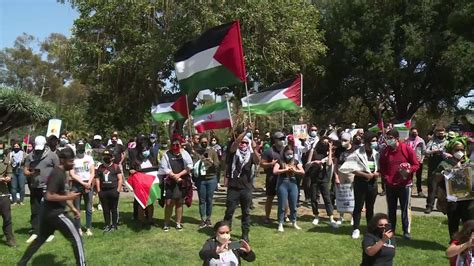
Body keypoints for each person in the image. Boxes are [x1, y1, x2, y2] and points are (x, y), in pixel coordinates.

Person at [18, 148, 86, 266]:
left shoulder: (61, 173)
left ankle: (21, 263)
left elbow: (62, 193)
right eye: (70, 161)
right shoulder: (57, 173)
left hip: (47, 213)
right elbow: (49, 195)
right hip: (56, 213)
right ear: (62, 160)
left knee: (40, 239)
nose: (73, 163)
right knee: (77, 239)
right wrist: (69, 197)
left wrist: (73, 208)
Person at [379, 129, 420, 240]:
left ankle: (406, 231)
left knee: (405, 209)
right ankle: (390, 229)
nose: (388, 140)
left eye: (390, 138)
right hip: (390, 185)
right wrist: (386, 177)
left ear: (397, 139)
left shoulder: (407, 149)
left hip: (405, 185)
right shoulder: (386, 151)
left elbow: (416, 164)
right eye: (387, 138)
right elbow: (382, 166)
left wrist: (409, 170)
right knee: (391, 209)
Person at [341, 132, 380, 239]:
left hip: (372, 184)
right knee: (358, 207)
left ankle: (370, 229)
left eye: (375, 141)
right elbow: (349, 168)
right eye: (372, 141)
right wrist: (364, 174)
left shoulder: (376, 154)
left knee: (370, 207)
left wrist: (377, 174)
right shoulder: (357, 153)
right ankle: (356, 229)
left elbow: (380, 168)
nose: (374, 143)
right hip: (360, 183)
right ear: (367, 142)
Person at [224, 131, 260, 243]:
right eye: (241, 142)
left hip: (246, 188)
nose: (243, 144)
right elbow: (234, 145)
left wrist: (255, 149)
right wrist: (245, 131)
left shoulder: (250, 154)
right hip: (233, 187)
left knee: (246, 212)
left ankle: (245, 234)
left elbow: (258, 161)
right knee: (229, 211)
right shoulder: (233, 153)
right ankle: (225, 233)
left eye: (245, 142)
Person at [433, 136, 472, 239]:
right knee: (453, 220)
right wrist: (443, 173)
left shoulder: (469, 163)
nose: (459, 152)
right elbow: (436, 179)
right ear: (452, 150)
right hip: (452, 198)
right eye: (457, 150)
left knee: (467, 221)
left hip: (466, 198)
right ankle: (453, 241)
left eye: (461, 150)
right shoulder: (445, 163)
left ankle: (466, 242)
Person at [24, 136, 60, 243]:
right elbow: (25, 169)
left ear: (45, 145)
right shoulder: (30, 156)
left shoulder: (52, 156)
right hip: (35, 186)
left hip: (48, 187)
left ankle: (50, 232)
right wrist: (30, 173)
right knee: (35, 210)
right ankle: (36, 232)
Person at [158, 134, 193, 231]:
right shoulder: (166, 154)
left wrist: (179, 175)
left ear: (180, 145)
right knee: (169, 203)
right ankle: (166, 223)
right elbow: (164, 168)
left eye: (177, 145)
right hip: (170, 181)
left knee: (179, 202)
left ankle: (178, 223)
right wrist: (174, 176)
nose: (175, 147)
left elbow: (190, 166)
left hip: (182, 181)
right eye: (173, 144)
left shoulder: (185, 153)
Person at [305, 137, 340, 227]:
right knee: (313, 198)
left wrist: (330, 150)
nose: (324, 144)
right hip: (314, 177)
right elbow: (307, 165)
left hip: (324, 178)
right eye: (323, 142)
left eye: (327, 143)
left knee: (327, 198)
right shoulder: (313, 151)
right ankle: (316, 216)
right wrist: (314, 162)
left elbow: (329, 164)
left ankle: (331, 217)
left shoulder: (328, 153)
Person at [273, 145, 304, 232]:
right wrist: (285, 170)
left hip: (293, 183)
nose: (289, 155)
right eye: (288, 154)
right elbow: (275, 171)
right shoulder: (280, 161)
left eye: (291, 154)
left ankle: (294, 222)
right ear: (284, 153)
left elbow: (302, 171)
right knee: (282, 205)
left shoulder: (295, 161)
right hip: (282, 183)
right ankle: (280, 223)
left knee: (293, 205)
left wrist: (295, 171)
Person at [128, 136, 158, 226]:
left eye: (147, 149)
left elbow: (156, 169)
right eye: (144, 149)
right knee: (141, 203)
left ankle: (150, 219)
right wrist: (132, 171)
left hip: (151, 184)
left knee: (150, 203)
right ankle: (141, 220)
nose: (145, 151)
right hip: (140, 184)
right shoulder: (136, 160)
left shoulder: (152, 159)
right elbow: (131, 170)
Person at [69, 139, 95, 236]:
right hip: (77, 185)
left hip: (88, 184)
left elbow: (92, 172)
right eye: (79, 147)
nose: (81, 150)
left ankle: (88, 227)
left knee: (88, 207)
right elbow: (72, 174)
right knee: (77, 208)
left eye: (82, 148)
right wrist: (82, 183)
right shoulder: (73, 160)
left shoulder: (89, 158)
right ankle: (78, 228)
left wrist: (88, 182)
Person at [195, 136, 220, 228]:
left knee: (209, 199)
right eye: (202, 142)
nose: (204, 144)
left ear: (208, 142)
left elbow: (217, 164)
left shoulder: (212, 151)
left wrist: (212, 161)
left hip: (211, 178)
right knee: (202, 200)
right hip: (201, 179)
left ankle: (208, 219)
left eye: (205, 142)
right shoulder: (197, 152)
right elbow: (193, 165)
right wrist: (199, 161)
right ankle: (202, 219)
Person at [95, 149, 123, 232]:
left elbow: (120, 179)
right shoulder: (100, 167)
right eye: (104, 156)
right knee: (105, 209)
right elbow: (97, 179)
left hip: (113, 190)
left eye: (107, 156)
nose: (105, 158)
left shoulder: (115, 167)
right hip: (103, 191)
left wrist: (118, 190)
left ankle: (114, 225)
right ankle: (107, 224)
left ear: (112, 158)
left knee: (114, 209)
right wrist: (99, 191)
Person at [261, 131, 285, 224]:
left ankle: (285, 216)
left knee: (284, 198)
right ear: (275, 140)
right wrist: (270, 164)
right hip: (272, 177)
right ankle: (267, 216)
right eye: (280, 139)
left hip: (283, 177)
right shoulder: (269, 151)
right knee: (270, 197)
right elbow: (262, 163)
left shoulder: (285, 150)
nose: (283, 141)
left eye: (283, 139)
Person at [424, 127, 448, 214]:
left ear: (445, 133)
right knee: (432, 188)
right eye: (439, 133)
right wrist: (436, 150)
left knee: (446, 188)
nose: (441, 134)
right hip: (433, 167)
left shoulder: (448, 142)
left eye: (442, 132)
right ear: (436, 133)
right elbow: (426, 151)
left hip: (445, 167)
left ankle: (444, 207)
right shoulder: (432, 142)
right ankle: (429, 206)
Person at [0, 141, 16, 247]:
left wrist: (9, 177)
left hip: (3, 193)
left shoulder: (7, 159)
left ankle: (10, 239)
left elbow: (10, 172)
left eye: (1, 148)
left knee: (7, 217)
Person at [405, 127, 426, 197]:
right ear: (410, 132)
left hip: (418, 160)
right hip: (409, 161)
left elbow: (424, 151)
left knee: (418, 176)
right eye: (413, 132)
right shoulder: (407, 140)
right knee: (409, 176)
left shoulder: (421, 140)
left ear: (417, 133)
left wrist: (422, 159)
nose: (414, 134)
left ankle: (419, 191)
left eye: (415, 132)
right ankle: (408, 190)